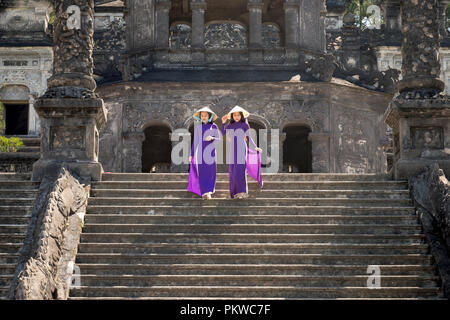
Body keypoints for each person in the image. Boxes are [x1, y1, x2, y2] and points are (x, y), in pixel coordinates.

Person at [221, 106, 263, 199]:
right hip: (232, 149)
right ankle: (235, 192)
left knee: (240, 170)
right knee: (233, 171)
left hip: (241, 148)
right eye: (234, 115)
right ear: (232, 116)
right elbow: (223, 133)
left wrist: (255, 147)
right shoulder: (231, 125)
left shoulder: (245, 125)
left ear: (242, 116)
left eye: (238, 115)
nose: (236, 117)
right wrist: (223, 123)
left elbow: (248, 137)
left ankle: (242, 192)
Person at [187, 107, 221, 200]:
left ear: (209, 116)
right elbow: (195, 142)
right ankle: (204, 192)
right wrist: (191, 154)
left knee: (210, 172)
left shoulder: (214, 126)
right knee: (201, 172)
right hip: (200, 152)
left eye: (205, 115)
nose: (204, 117)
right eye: (202, 116)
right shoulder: (198, 127)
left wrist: (212, 138)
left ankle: (209, 191)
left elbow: (219, 140)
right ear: (200, 117)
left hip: (211, 152)